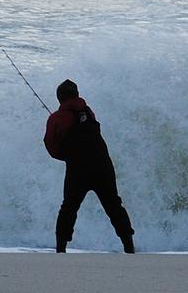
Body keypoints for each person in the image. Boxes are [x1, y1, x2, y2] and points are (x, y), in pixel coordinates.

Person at [44, 79, 135, 253]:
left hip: (78, 170)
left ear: (59, 98)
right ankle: (129, 246)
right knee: (114, 205)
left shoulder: (56, 118)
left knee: (69, 207)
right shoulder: (89, 112)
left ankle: (61, 248)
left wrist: (66, 156)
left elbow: (51, 147)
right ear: (77, 94)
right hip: (103, 166)